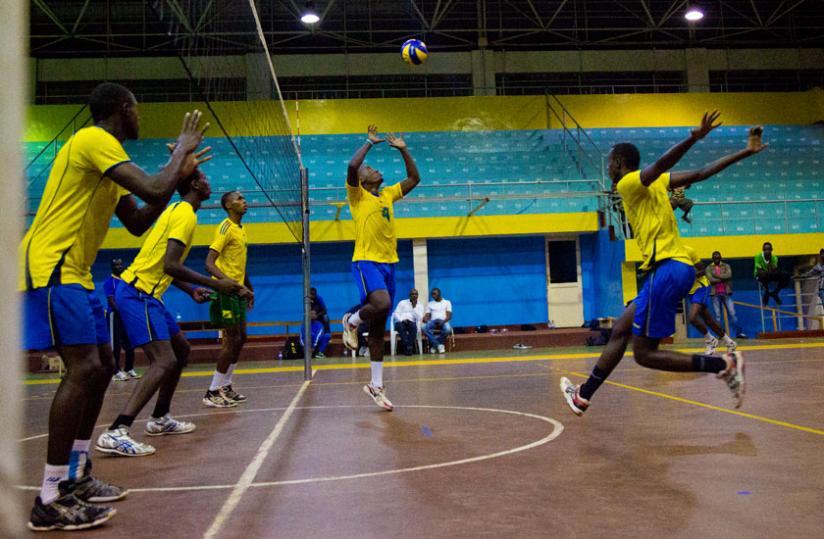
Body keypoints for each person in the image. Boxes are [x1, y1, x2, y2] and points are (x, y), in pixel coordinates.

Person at [21, 82, 210, 531]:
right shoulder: (93, 141)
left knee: (104, 366)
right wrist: (179, 154)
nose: (140, 117)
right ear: (124, 109)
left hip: (77, 272)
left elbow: (140, 219)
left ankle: (77, 474)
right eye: (137, 109)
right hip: (53, 265)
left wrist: (177, 177)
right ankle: (49, 495)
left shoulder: (106, 164)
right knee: (84, 368)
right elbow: (151, 184)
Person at [559, 112, 766, 418]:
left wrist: (693, 138)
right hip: (673, 270)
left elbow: (662, 165)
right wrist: (745, 152)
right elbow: (701, 173)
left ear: (618, 162)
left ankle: (724, 364)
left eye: (609, 163)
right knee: (620, 328)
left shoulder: (629, 182)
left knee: (644, 354)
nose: (607, 168)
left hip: (669, 269)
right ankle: (583, 396)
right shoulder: (655, 185)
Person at [96, 168, 245, 457]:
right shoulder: (185, 213)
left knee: (182, 349)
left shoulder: (178, 210)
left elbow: (164, 262)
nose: (208, 180)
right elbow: (170, 265)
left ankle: (160, 418)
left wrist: (190, 291)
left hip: (151, 294)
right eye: (203, 177)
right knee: (163, 361)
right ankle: (117, 430)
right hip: (137, 292)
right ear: (194, 184)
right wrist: (218, 284)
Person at [340, 125, 421, 411]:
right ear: (361, 181)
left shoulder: (386, 195)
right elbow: (352, 165)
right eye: (369, 169)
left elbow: (414, 178)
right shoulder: (357, 196)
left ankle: (375, 385)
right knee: (382, 302)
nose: (373, 170)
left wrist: (403, 149)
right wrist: (369, 143)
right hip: (366, 261)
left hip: (389, 264)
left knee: (378, 330)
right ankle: (350, 321)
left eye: (372, 167)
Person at [203, 190, 254, 407]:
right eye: (239, 199)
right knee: (231, 339)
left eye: (243, 198)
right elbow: (209, 264)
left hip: (238, 292)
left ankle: (226, 385)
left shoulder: (241, 229)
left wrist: (249, 288)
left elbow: (239, 265)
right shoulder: (225, 227)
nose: (244, 201)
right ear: (228, 206)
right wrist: (232, 285)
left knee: (241, 338)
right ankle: (212, 391)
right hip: (226, 293)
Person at [684, 246, 737, 354]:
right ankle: (729, 342)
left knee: (692, 318)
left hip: (700, 287)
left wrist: (691, 277)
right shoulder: (668, 259)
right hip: (689, 291)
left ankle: (710, 340)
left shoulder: (687, 251)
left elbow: (703, 270)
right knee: (709, 320)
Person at [104, 258, 139, 381]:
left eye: (120, 264)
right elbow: (111, 300)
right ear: (112, 267)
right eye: (116, 265)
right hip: (115, 316)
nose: (119, 267)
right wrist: (122, 311)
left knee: (130, 344)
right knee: (116, 345)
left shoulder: (126, 281)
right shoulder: (109, 282)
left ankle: (129, 369)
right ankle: (115, 371)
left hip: (126, 317)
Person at [705, 251, 747, 339]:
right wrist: (723, 278)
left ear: (721, 257)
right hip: (715, 294)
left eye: (718, 257)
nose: (717, 259)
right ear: (712, 259)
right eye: (715, 257)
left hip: (726, 292)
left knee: (732, 314)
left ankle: (739, 333)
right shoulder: (709, 267)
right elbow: (711, 280)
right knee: (717, 316)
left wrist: (716, 275)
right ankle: (722, 335)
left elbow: (729, 275)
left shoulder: (726, 266)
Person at [754, 242, 791, 306]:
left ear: (771, 250)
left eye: (769, 249)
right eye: (765, 250)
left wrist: (770, 259)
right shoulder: (758, 256)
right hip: (760, 275)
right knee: (763, 275)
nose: (767, 251)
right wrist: (770, 272)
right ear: (763, 250)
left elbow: (773, 271)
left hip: (769, 274)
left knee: (786, 274)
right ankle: (767, 293)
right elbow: (760, 270)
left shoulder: (774, 258)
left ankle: (775, 292)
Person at [392, 288, 424, 355]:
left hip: (411, 323)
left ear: (418, 295)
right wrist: (401, 320)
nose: (414, 296)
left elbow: (419, 318)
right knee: (401, 326)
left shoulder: (420, 305)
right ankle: (408, 346)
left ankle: (407, 347)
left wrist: (414, 307)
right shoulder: (402, 302)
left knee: (413, 327)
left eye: (416, 294)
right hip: (400, 322)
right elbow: (395, 313)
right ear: (409, 295)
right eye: (412, 294)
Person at [423, 288, 453, 354]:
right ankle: (438, 345)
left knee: (448, 329)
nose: (433, 296)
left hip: (444, 321)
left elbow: (449, 316)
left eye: (434, 294)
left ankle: (434, 346)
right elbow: (427, 315)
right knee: (424, 327)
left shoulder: (447, 302)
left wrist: (443, 321)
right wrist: (425, 318)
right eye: (432, 294)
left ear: (439, 293)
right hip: (433, 321)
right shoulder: (430, 304)